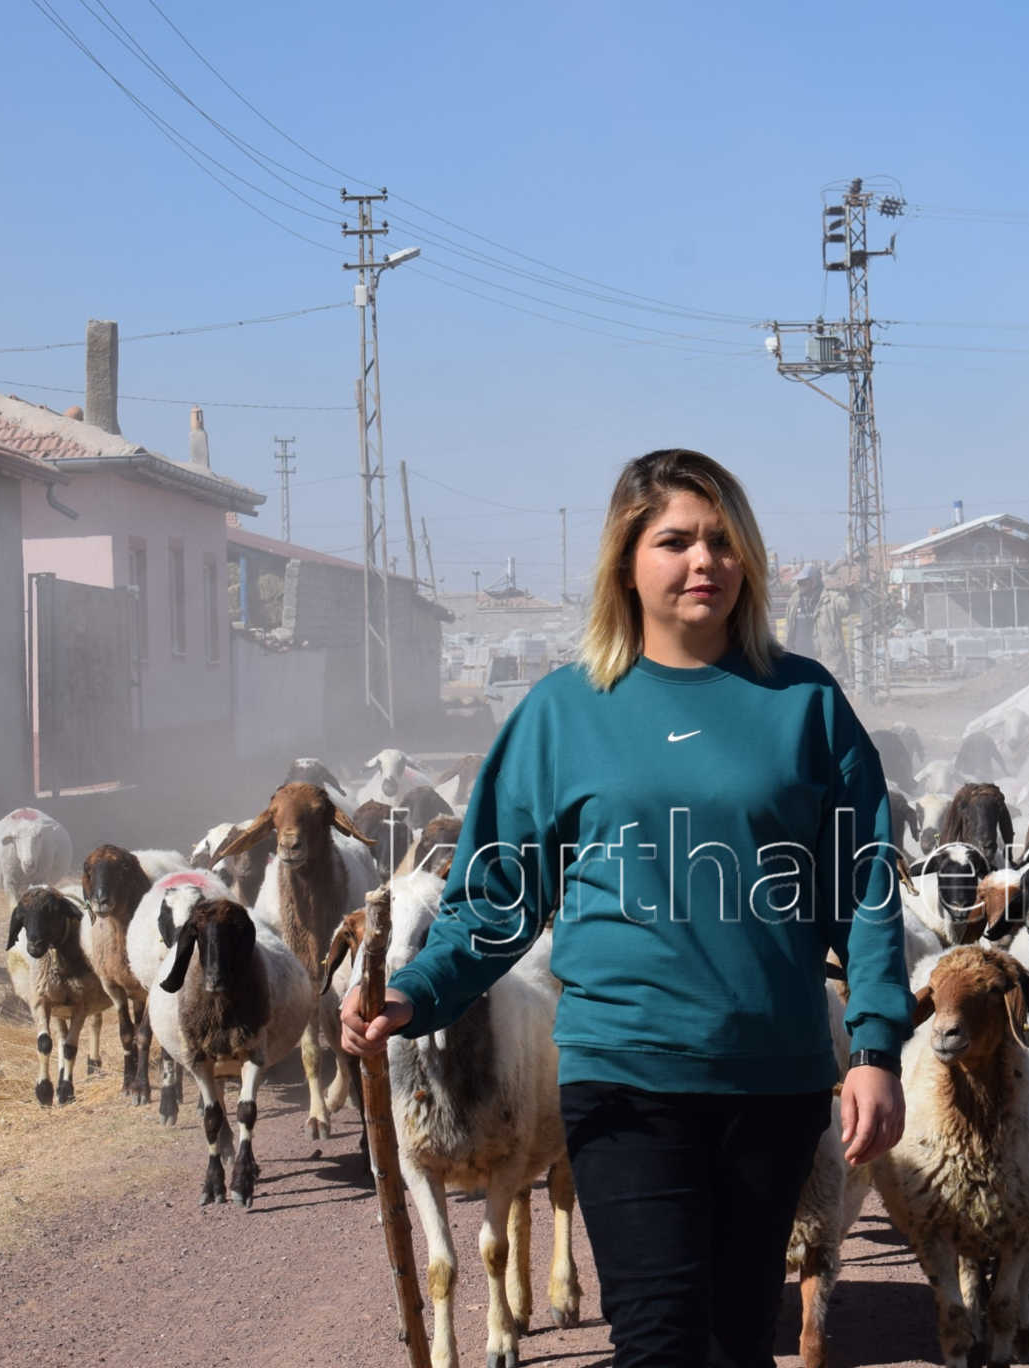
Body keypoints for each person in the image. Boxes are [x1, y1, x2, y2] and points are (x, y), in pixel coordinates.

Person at [341, 448, 912, 1368]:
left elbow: (867, 893)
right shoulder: (563, 714)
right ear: (626, 560)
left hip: (770, 1079)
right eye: (676, 541)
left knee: (735, 1342)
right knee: (656, 1342)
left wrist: (877, 1048)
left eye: (723, 542)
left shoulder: (806, 705)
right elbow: (494, 895)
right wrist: (414, 997)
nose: (705, 563)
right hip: (624, 1075)